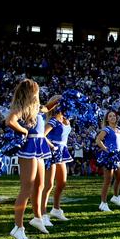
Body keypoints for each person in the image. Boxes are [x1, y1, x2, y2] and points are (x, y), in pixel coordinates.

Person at [6, 79, 53, 239]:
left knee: (40, 185)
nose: (38, 93)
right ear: (30, 92)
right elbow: (10, 121)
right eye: (36, 91)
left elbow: (49, 107)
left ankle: (37, 218)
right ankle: (18, 227)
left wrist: (62, 98)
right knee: (27, 188)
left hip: (39, 147)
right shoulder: (23, 108)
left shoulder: (38, 108)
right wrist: (23, 131)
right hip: (29, 149)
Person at [42, 95, 73, 224]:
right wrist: (51, 146)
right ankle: (42, 214)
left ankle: (56, 208)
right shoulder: (54, 120)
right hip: (53, 151)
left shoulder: (66, 119)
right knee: (48, 184)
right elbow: (42, 135)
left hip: (62, 151)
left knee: (62, 182)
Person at [95, 110, 120, 211]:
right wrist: (106, 149)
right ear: (107, 119)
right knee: (108, 180)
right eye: (110, 116)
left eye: (114, 116)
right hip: (109, 156)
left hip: (117, 155)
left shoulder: (118, 130)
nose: (112, 117)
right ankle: (103, 203)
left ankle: (115, 197)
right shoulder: (107, 129)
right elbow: (98, 140)